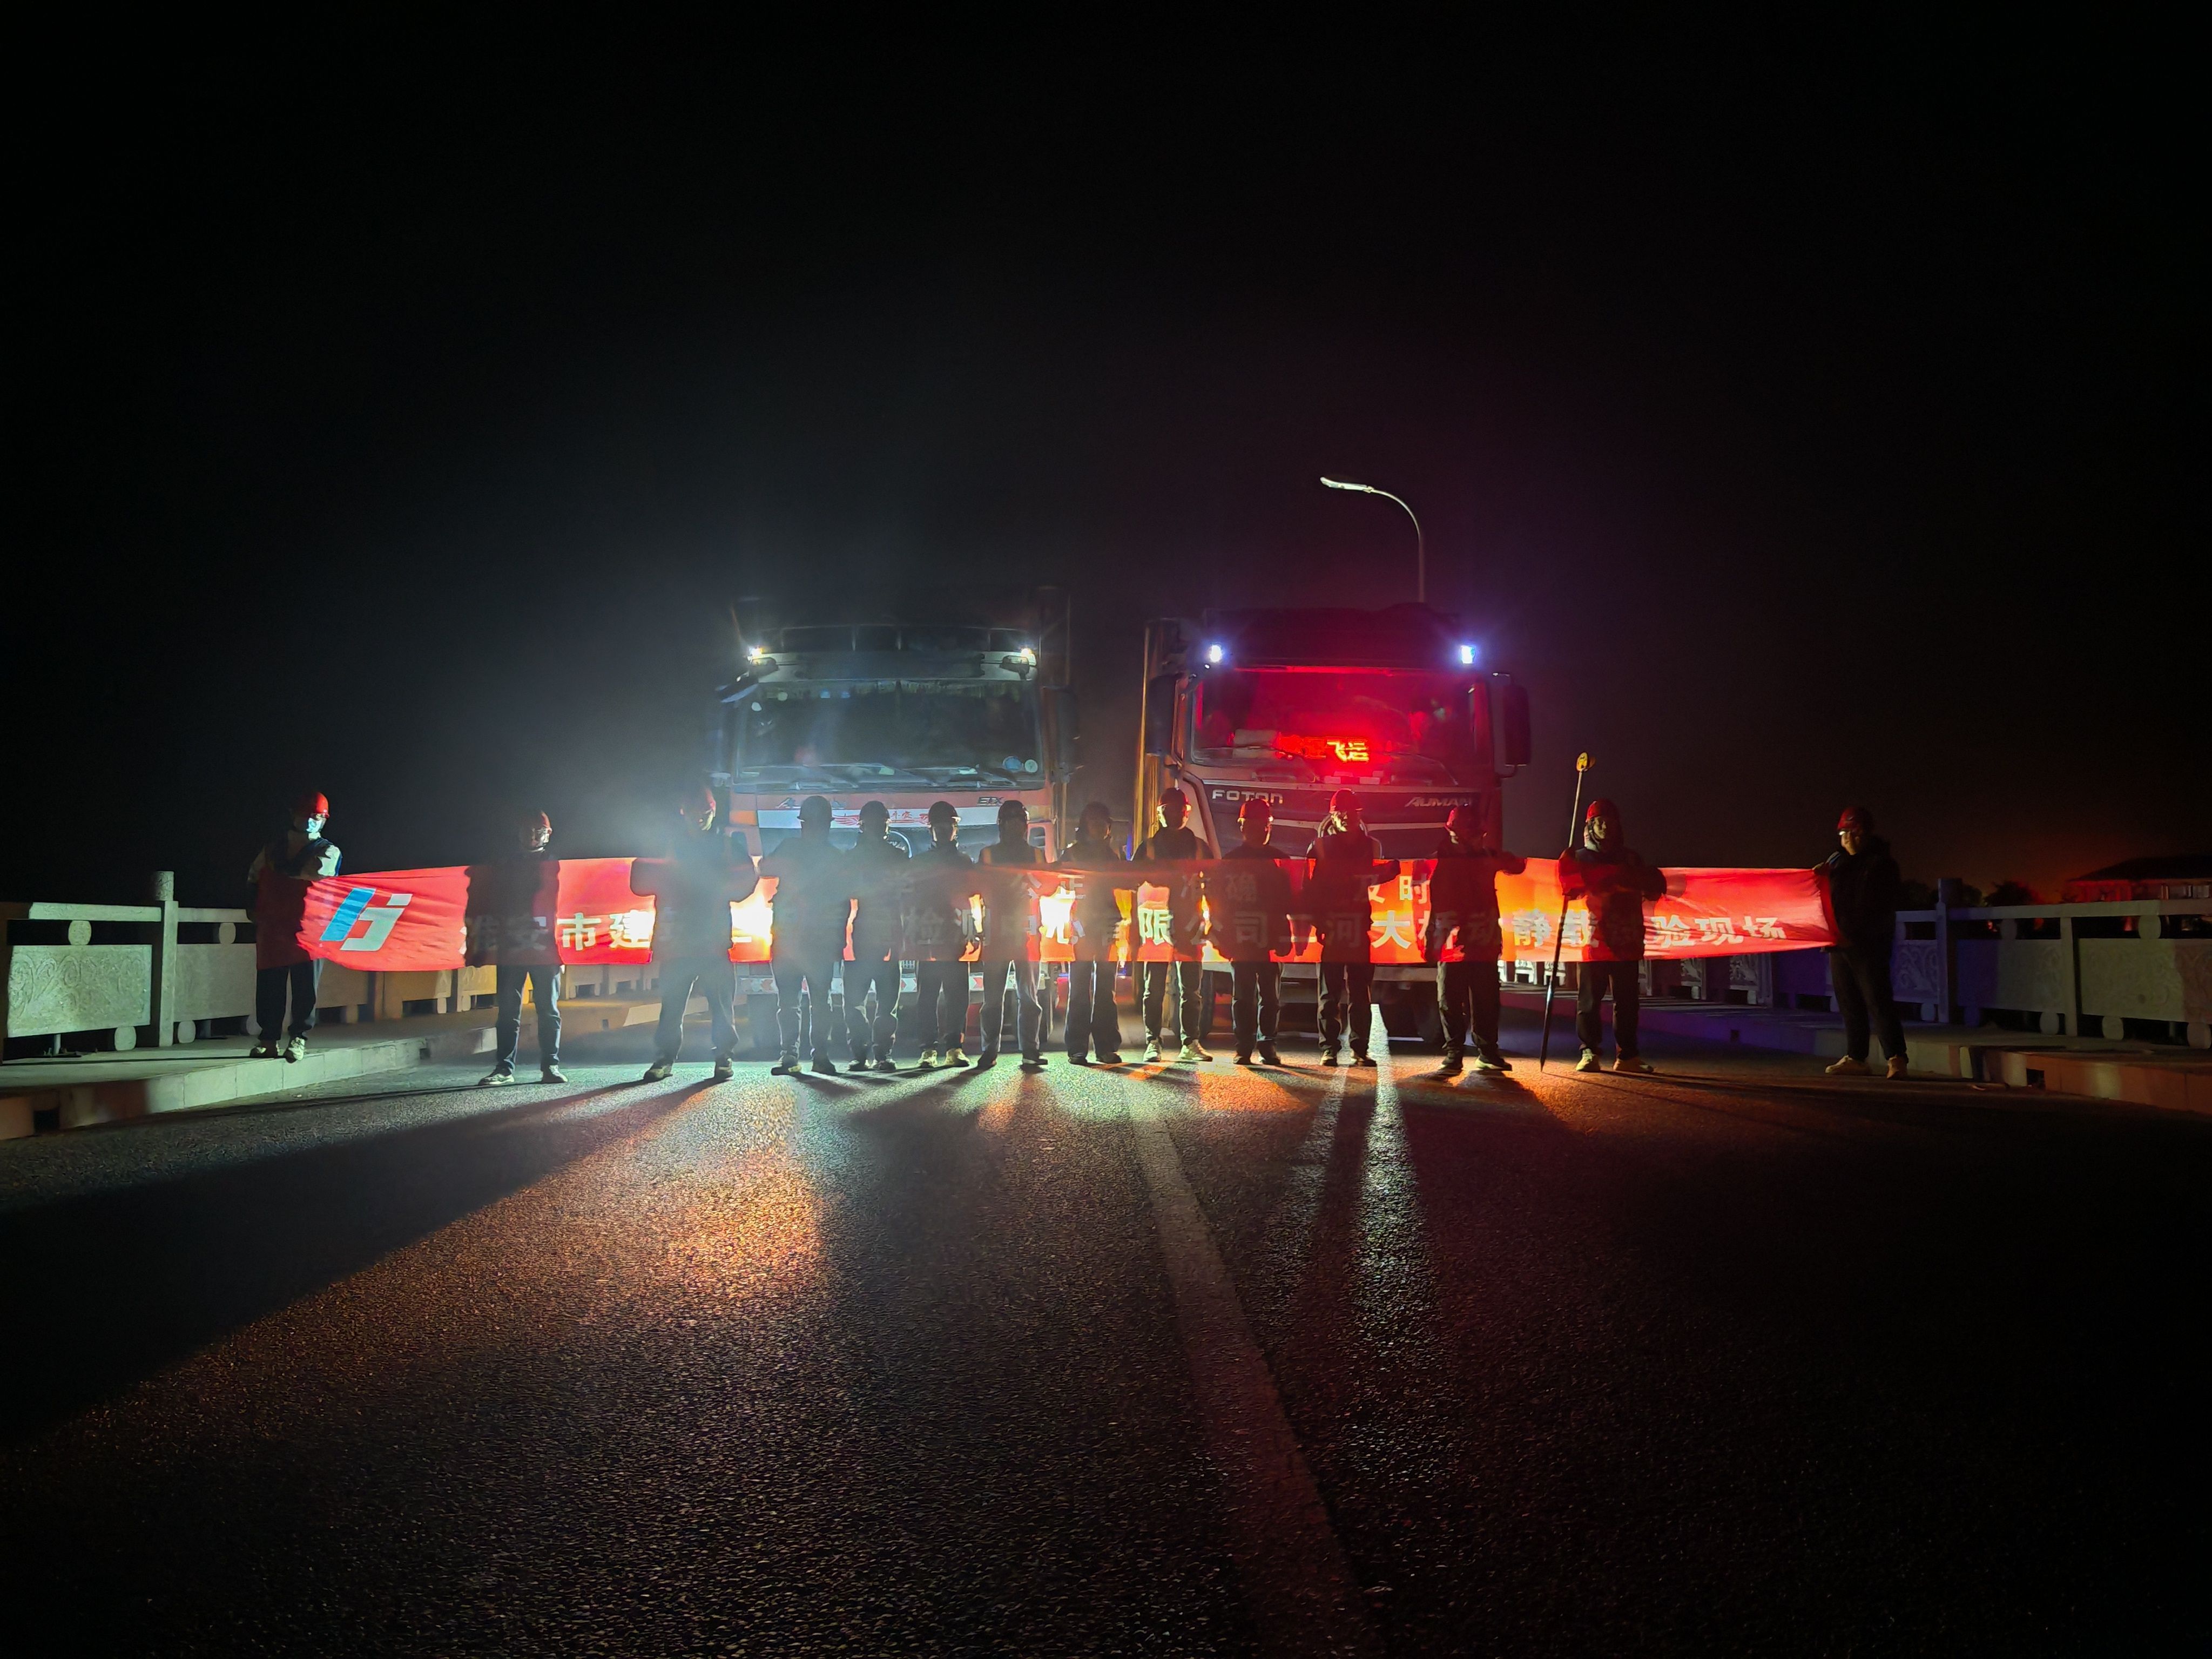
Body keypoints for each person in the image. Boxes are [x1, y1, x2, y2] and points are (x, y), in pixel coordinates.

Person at [637, 785, 759, 1083]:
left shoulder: (726, 847)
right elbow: (639, 879)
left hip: (712, 941)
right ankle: (664, 1059)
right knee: (672, 1005)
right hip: (677, 941)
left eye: (706, 812)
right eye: (695, 812)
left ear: (713, 812)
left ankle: (724, 1057)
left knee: (721, 1005)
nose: (700, 817)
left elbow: (748, 879)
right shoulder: (667, 846)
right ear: (684, 812)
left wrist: (721, 891)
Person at [1557, 797, 1666, 1074]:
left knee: (1628, 1001)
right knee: (1589, 1001)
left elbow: (1654, 887)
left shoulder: (1631, 859)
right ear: (1590, 826)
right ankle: (1589, 1052)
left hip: (1627, 938)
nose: (1605, 827)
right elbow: (1569, 889)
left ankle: (1628, 1056)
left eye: (1610, 822)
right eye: (1600, 822)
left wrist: (1629, 878)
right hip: (1594, 939)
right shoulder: (1579, 858)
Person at [1425, 804, 1525, 1075]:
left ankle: (1487, 1052)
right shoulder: (1437, 861)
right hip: (1452, 939)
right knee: (1449, 999)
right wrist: (1431, 937)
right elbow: (1428, 902)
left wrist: (1506, 859)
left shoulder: (1488, 857)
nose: (1470, 839)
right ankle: (1454, 1053)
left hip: (1483, 938)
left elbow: (1518, 867)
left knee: (1486, 999)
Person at [1305, 791, 1400, 1065]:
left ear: (1359, 815)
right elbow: (1311, 888)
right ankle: (1330, 1048)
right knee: (1330, 993)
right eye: (1341, 813)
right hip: (1334, 928)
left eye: (1351, 812)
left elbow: (1370, 878)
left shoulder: (1371, 846)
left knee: (1360, 993)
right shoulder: (1320, 847)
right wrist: (1318, 922)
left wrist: (1389, 872)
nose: (1346, 817)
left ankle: (1360, 1049)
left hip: (1358, 927)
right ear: (1333, 817)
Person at [759, 795, 853, 1075]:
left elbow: (842, 904)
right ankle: (806, 1056)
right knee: (808, 1002)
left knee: (803, 1002)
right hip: (800, 940)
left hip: (802, 940)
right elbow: (765, 868)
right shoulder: (833, 857)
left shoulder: (802, 850)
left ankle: (802, 1055)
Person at [246, 791, 342, 1061]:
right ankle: (268, 1039)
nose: (311, 821)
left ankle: (299, 1038)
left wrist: (280, 871)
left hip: (308, 930)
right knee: (269, 985)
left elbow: (316, 872)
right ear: (293, 816)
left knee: (305, 987)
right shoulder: (272, 849)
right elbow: (254, 877)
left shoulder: (328, 851)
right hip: (274, 927)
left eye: (317, 817)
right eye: (306, 816)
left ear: (324, 821)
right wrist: (252, 906)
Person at [476, 810, 567, 1085]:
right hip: (511, 946)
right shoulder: (503, 866)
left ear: (548, 835)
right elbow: (487, 902)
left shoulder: (559, 866)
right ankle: (504, 1068)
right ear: (518, 833)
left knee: (548, 1010)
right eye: (527, 830)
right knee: (507, 1011)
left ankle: (550, 1065)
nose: (532, 836)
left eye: (538, 831)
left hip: (546, 949)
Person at [1824, 806, 1909, 1078]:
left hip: (1869, 943)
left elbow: (1877, 904)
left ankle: (1896, 1058)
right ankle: (1856, 1058)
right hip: (1838, 942)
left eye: (1852, 833)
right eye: (1843, 834)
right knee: (1849, 1002)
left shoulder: (1881, 864)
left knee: (1878, 999)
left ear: (1864, 834)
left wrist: (1857, 933)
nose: (1847, 839)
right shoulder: (1836, 863)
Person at [1135, 786, 1213, 1063]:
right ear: (1161, 813)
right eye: (1169, 810)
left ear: (1186, 812)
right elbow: (1130, 883)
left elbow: (1214, 883)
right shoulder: (1149, 848)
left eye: (1180, 809)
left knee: (1191, 988)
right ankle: (1153, 1041)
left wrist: (1214, 920)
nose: (1175, 814)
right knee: (1154, 987)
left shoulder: (1199, 847)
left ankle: (1190, 1042)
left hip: (1189, 925)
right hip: (1156, 925)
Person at [1212, 797, 1293, 1065]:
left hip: (1268, 938)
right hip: (1243, 937)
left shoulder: (1281, 861)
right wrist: (1222, 935)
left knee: (1269, 996)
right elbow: (1219, 901)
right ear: (1244, 827)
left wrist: (1286, 935)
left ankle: (1266, 1045)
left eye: (1264, 824)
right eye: (1256, 824)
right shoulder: (1231, 861)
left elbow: (1290, 901)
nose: (1261, 830)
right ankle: (1245, 1047)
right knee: (1244, 996)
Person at [975, 800, 1050, 1068]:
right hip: (997, 934)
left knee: (1029, 997)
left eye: (1019, 821)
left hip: (1026, 934)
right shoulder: (988, 855)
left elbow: (1048, 887)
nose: (1015, 826)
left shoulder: (1037, 856)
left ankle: (1030, 1050)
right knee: (992, 999)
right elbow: (977, 887)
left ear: (1025, 825)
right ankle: (989, 1051)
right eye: (1010, 821)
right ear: (1002, 825)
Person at [1055, 800, 1130, 1064]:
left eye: (1103, 824)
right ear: (1085, 825)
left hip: (1108, 923)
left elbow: (1123, 883)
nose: (1099, 828)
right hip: (1083, 924)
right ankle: (1077, 1048)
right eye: (1094, 823)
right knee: (1079, 985)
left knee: (1106, 987)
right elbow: (1058, 881)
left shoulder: (1112, 855)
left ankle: (1106, 1047)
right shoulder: (1072, 854)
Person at [903, 799, 976, 1067]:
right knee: (928, 995)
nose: (944, 831)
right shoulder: (919, 864)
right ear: (931, 830)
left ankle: (954, 1048)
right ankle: (928, 1050)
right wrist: (910, 930)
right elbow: (909, 900)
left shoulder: (964, 863)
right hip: (927, 936)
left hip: (954, 936)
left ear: (955, 829)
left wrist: (971, 929)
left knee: (957, 995)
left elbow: (970, 900)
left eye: (948, 826)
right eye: (939, 827)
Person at [844, 800, 908, 1072]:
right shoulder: (896, 858)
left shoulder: (851, 858)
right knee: (884, 999)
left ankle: (863, 1055)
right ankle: (880, 1054)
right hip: (883, 930)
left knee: (859, 999)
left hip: (866, 931)